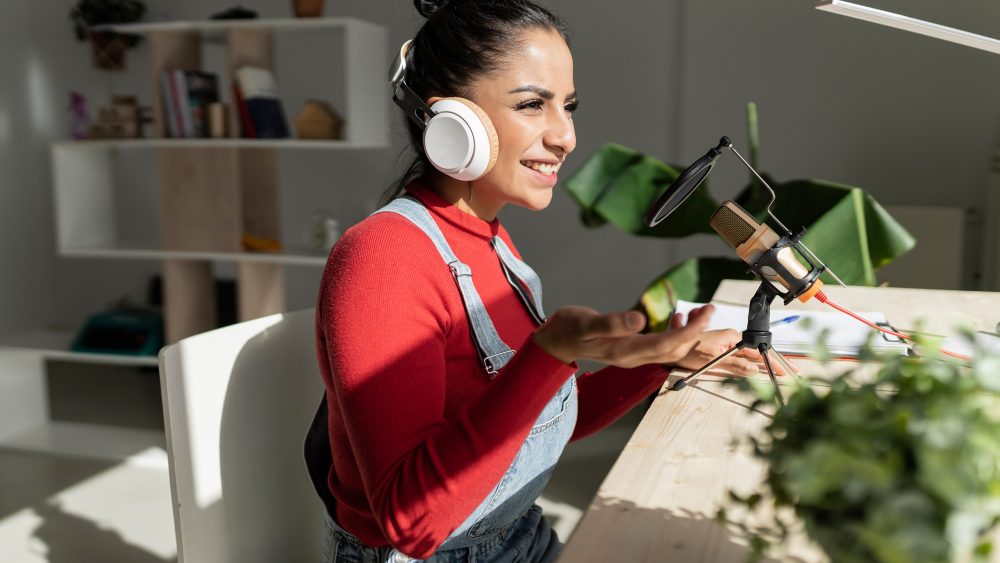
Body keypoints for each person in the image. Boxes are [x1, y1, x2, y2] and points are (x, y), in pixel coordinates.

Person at [307, 1, 783, 561]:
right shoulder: (382, 259)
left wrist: (659, 362)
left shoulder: (489, 238)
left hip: (518, 537)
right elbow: (412, 520)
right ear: (450, 122)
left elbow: (529, 426)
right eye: (533, 104)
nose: (566, 137)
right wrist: (547, 353)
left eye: (569, 106)